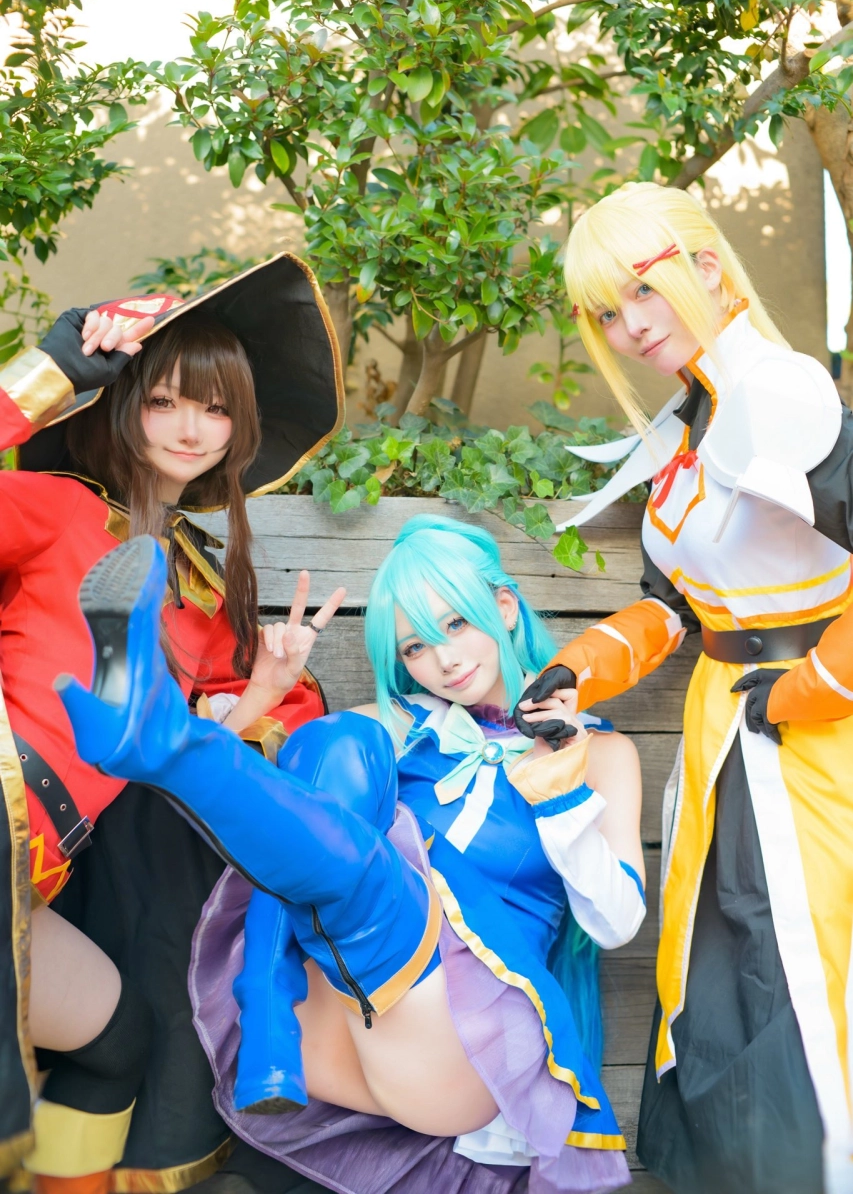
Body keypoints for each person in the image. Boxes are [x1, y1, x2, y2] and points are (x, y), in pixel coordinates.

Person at [57, 515, 648, 1194]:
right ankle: (267, 1012)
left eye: (456, 624)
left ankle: (159, 741)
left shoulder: (600, 753)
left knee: (376, 870)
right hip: (330, 1024)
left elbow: (615, 923)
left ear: (505, 608)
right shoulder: (398, 729)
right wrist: (268, 691)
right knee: (336, 741)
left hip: (462, 1042)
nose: (444, 660)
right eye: (416, 647)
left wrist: (558, 794)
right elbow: (276, 819)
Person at [512, 181, 853, 1194]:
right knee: (717, 968)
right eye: (607, 312)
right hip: (726, 740)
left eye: (641, 291)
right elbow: (673, 605)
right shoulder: (692, 416)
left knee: (805, 970)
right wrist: (580, 665)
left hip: (815, 744)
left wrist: (808, 688)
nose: (630, 327)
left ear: (706, 267)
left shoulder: (780, 396)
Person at [0, 253, 345, 1194]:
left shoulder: (198, 583)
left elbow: (192, 744)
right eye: (163, 401)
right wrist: (48, 372)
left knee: (117, 1042)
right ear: (123, 407)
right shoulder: (58, 510)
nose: (192, 428)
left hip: (40, 874)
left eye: (216, 408)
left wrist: (266, 688)